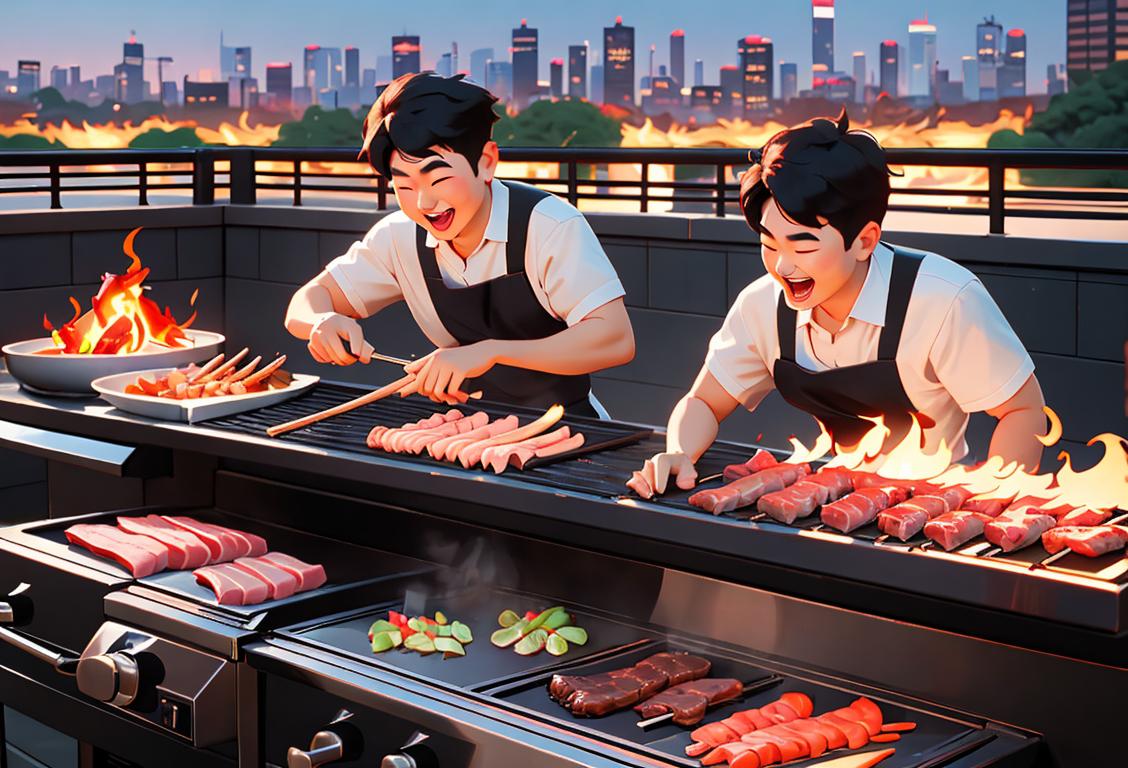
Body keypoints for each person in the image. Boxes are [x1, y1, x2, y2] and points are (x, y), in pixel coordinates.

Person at [634, 112, 1046, 497]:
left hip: (926, 504)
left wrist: (993, 503)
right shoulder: (762, 304)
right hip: (828, 497)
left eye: (803, 246)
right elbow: (703, 400)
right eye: (768, 243)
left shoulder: (942, 299)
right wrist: (680, 451)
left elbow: (1022, 410)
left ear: (864, 240)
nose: (782, 266)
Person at [284, 73, 634, 417]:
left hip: (566, 423)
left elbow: (615, 338)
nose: (424, 203)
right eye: (403, 185)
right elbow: (306, 301)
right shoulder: (398, 236)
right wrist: (320, 322)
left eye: (438, 179)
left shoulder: (549, 226)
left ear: (486, 162)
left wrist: (490, 353)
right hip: (464, 428)